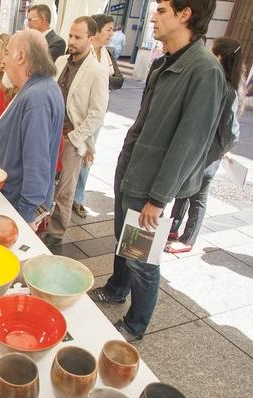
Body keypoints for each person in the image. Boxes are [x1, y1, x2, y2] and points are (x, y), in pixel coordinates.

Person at [89, 0, 226, 342]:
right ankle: (116, 289)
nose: (153, 16)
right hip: (132, 172)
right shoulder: (165, 61)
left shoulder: (205, 70)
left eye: (162, 9)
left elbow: (189, 143)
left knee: (142, 259)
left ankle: (135, 325)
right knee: (124, 242)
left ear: (185, 14)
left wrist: (159, 198)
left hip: (151, 184)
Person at [0, 29, 64, 228]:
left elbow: (36, 162)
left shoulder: (37, 96)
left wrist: (25, 215)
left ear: (21, 56)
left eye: (7, 53)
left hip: (17, 204)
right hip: (11, 196)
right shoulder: (36, 89)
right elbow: (13, 145)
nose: (3, 61)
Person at [166, 37, 242, 253]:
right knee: (183, 189)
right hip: (196, 151)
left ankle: (188, 239)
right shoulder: (213, 82)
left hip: (208, 156)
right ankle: (173, 227)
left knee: (198, 196)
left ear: (221, 57)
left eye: (212, 51)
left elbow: (231, 131)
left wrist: (222, 150)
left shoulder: (228, 90)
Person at [41, 16, 109, 246]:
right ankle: (40, 222)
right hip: (50, 131)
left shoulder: (97, 71)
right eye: (70, 35)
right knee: (44, 179)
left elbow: (97, 113)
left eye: (78, 37)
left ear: (91, 39)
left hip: (73, 136)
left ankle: (56, 231)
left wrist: (75, 137)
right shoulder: (61, 61)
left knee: (65, 189)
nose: (71, 41)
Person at [72, 13, 124, 219]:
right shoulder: (80, 53)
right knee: (71, 156)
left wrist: (99, 80)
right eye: (109, 29)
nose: (112, 34)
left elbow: (118, 80)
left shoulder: (107, 54)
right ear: (96, 32)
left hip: (96, 114)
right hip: (76, 114)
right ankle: (63, 195)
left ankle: (78, 198)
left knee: (87, 157)